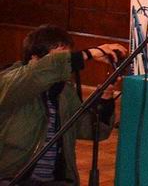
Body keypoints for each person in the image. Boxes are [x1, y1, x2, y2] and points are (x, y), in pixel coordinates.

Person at [0, 25, 127, 185]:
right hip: (12, 178)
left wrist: (105, 100)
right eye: (59, 59)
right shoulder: (9, 80)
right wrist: (89, 53)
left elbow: (90, 130)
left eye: (67, 57)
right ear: (34, 59)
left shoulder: (64, 91)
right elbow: (38, 75)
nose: (64, 65)